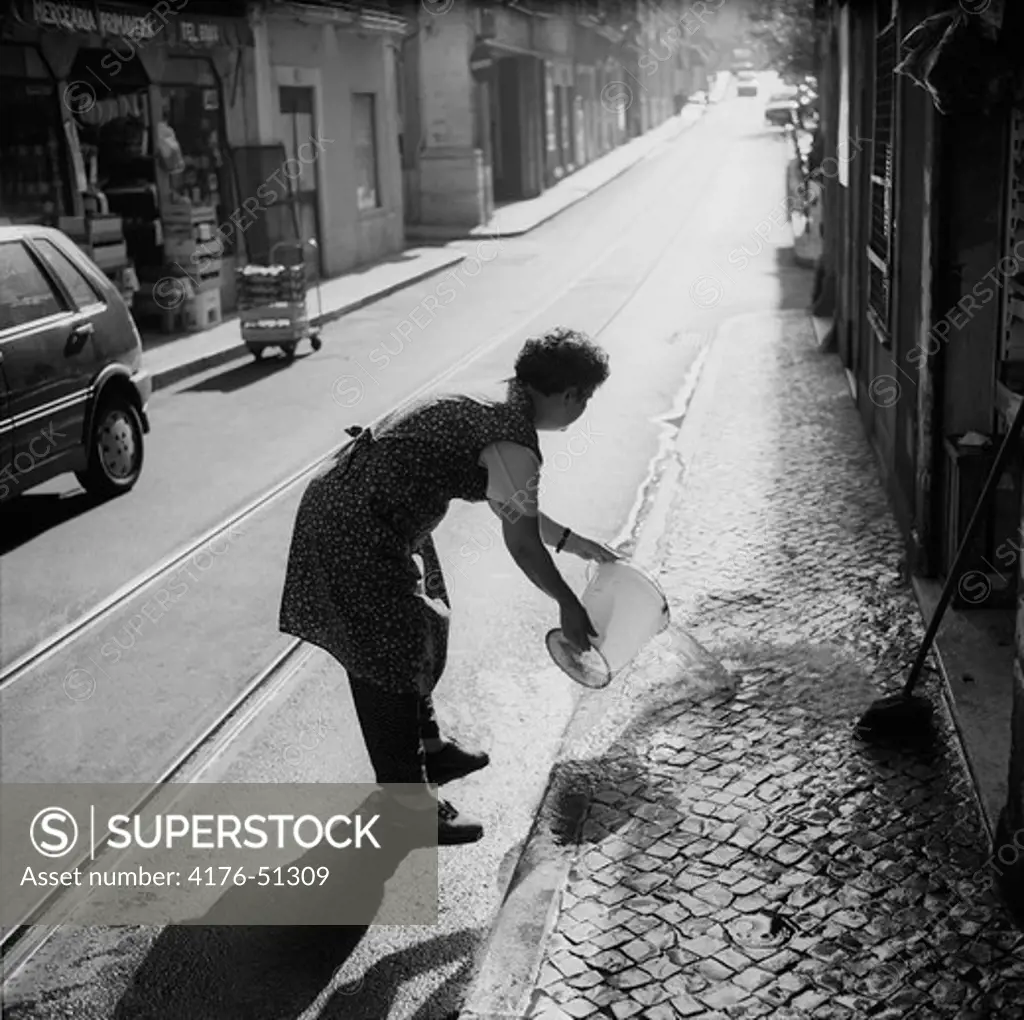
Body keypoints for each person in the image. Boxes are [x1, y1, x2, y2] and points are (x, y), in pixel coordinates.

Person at [279, 326, 617, 845]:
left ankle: (430, 747)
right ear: (570, 394)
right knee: (383, 658)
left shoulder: (499, 399)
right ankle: (406, 808)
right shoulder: (513, 439)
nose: (584, 408)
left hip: (356, 506)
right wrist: (568, 605)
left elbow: (516, 506)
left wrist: (573, 542)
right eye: (587, 398)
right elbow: (522, 544)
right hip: (356, 526)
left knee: (416, 628)